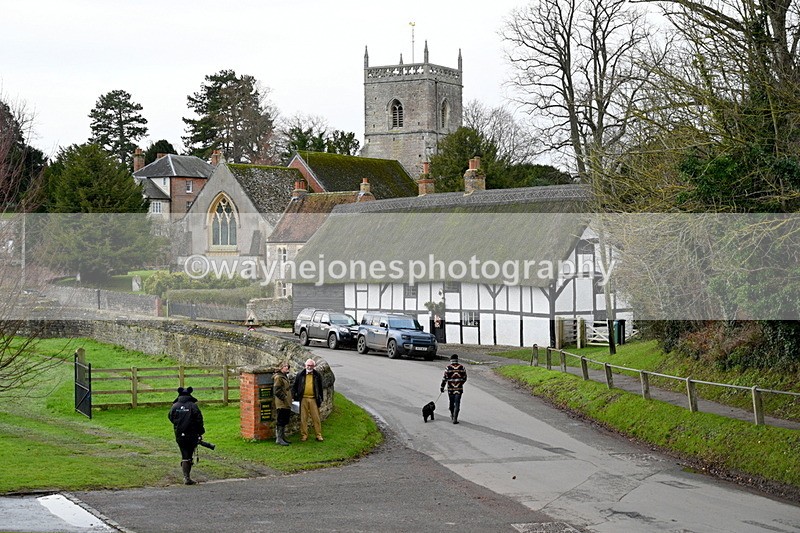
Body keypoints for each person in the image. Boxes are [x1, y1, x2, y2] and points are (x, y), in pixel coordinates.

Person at [168, 386, 205, 485]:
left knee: (184, 454)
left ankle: (186, 476)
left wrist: (178, 425)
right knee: (189, 454)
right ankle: (187, 477)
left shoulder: (175, 406)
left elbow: (170, 417)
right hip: (191, 434)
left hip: (179, 435)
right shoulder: (193, 406)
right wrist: (200, 432)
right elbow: (199, 420)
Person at [291, 358, 324, 442]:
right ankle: (304, 435)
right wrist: (292, 396)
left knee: (316, 418)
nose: (309, 367)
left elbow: (320, 388)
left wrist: (321, 399)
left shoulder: (317, 375)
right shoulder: (300, 374)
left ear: (314, 366)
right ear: (305, 366)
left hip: (313, 399)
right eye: (308, 365)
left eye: (311, 365)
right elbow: (295, 386)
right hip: (303, 399)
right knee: (303, 418)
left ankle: (318, 435)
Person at [440, 354, 467, 424]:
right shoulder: (462, 367)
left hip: (451, 389)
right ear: (457, 359)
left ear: (451, 360)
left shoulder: (448, 368)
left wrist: (442, 387)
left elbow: (444, 378)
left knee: (451, 403)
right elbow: (465, 378)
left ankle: (452, 414)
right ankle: (455, 418)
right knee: (457, 403)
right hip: (459, 388)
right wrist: (460, 383)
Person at [273, 361, 292, 446]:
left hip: (286, 402)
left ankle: (282, 437)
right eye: (285, 366)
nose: (287, 368)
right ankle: (279, 438)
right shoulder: (278, 377)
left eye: (288, 366)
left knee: (284, 420)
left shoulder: (284, 376)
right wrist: (284, 398)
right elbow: (276, 391)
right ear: (281, 367)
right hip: (281, 403)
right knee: (281, 420)